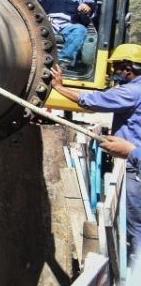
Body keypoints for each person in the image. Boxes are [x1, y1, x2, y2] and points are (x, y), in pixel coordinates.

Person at [51, 43, 141, 266]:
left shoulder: (133, 90)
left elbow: (94, 102)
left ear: (128, 68)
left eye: (118, 68)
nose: (116, 73)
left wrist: (59, 87)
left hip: (137, 166)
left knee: (137, 226)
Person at [33, 0, 96, 68]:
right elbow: (31, 6)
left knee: (80, 30)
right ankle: (35, 60)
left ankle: (62, 61)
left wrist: (87, 7)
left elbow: (91, 6)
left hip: (69, 25)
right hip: (47, 24)